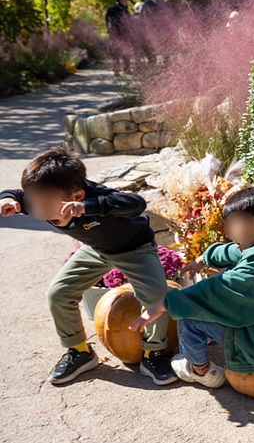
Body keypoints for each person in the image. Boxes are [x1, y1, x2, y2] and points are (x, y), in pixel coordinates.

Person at [0, 147, 176, 385]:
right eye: (35, 205)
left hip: (134, 248)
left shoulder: (94, 196)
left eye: (48, 206)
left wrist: (89, 207)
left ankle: (152, 353)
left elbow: (136, 203)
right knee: (58, 294)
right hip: (96, 250)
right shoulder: (40, 198)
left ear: (78, 196)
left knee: (156, 296)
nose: (43, 213)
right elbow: (19, 195)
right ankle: (80, 352)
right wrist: (7, 198)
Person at [130, 187, 254, 388]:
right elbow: (235, 252)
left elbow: (212, 291)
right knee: (227, 270)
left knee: (189, 316)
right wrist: (203, 259)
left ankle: (201, 370)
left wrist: (161, 305)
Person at [104, 0, 131, 76]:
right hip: (123, 34)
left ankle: (116, 68)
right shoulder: (123, 9)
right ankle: (126, 69)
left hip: (113, 34)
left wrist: (109, 30)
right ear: (120, 0)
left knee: (115, 52)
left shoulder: (110, 9)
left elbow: (107, 21)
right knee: (125, 51)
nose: (126, 1)